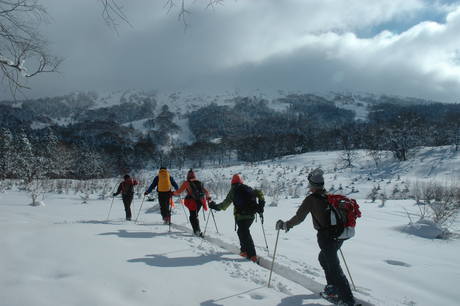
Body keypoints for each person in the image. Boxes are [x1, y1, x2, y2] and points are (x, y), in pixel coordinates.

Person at [275, 168, 355, 306]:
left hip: (326, 237)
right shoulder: (329, 196)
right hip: (339, 235)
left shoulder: (311, 199)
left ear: (312, 185)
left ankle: (347, 300)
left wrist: (285, 225)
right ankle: (332, 289)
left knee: (334, 266)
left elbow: (299, 217)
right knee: (324, 258)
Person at [209, 174, 265, 263]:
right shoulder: (248, 188)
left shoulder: (233, 190)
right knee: (242, 231)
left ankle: (252, 255)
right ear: (241, 181)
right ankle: (244, 251)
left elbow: (224, 205)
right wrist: (261, 204)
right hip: (251, 215)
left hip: (241, 216)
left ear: (232, 182)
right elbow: (259, 193)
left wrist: (215, 206)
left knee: (244, 233)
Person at [173, 169, 211, 237]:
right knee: (194, 216)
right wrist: (208, 198)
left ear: (188, 175)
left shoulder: (187, 182)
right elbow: (206, 192)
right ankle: (197, 230)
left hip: (192, 202)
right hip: (200, 202)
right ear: (194, 175)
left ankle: (197, 231)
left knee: (193, 217)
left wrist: (172, 193)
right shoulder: (199, 182)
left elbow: (179, 192)